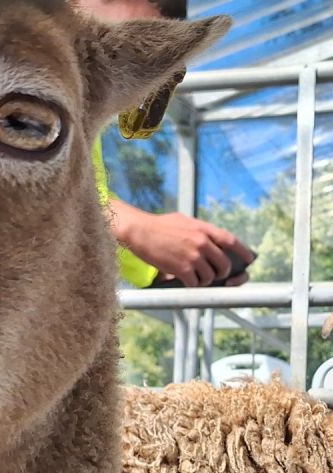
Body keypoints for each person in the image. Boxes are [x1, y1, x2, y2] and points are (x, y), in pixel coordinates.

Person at [76, 0, 256, 287]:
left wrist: (159, 267)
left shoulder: (82, 102)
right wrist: (135, 227)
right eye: (127, 44)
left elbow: (78, 193)